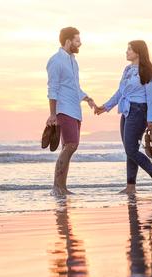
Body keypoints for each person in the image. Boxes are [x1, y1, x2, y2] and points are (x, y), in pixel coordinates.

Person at [95, 40, 152, 194]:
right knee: (130, 150)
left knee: (131, 150)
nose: (126, 52)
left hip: (139, 111)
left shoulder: (148, 72)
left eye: (129, 49)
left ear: (138, 52)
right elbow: (120, 92)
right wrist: (106, 106)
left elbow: (151, 97)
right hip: (127, 111)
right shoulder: (127, 70)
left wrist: (151, 120)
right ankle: (130, 187)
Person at [46, 27, 96, 196]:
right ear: (68, 41)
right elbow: (52, 89)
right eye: (77, 40)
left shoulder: (73, 61)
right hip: (64, 109)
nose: (79, 43)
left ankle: (62, 188)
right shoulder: (56, 61)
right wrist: (52, 114)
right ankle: (56, 187)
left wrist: (87, 98)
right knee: (70, 145)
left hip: (75, 109)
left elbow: (74, 86)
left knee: (68, 147)